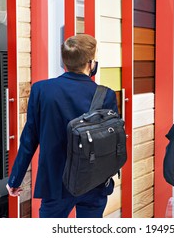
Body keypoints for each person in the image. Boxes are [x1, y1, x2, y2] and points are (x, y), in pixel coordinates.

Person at [6, 34, 118, 218]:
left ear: (65, 61)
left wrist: (15, 179)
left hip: (55, 183)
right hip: (94, 182)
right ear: (91, 63)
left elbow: (29, 138)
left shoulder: (42, 90)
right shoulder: (105, 95)